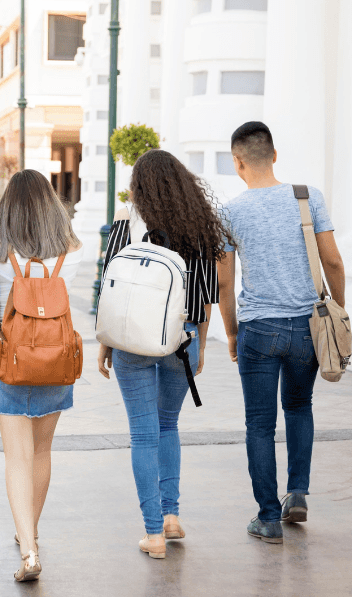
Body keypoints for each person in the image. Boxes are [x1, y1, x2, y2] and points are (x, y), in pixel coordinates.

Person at [96, 150, 230, 559]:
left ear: (139, 184)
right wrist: (202, 341)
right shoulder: (199, 222)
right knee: (168, 425)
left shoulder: (126, 221)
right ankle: (171, 516)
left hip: (132, 339)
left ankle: (153, 534)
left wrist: (104, 344)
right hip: (181, 338)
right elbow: (206, 294)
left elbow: (110, 283)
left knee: (143, 433)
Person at [217, 121, 346, 544]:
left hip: (258, 328)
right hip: (308, 327)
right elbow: (334, 263)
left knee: (259, 424)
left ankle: (268, 518)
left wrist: (232, 333)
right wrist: (337, 309)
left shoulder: (231, 211)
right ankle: (298, 492)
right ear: (274, 155)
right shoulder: (307, 199)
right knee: (299, 406)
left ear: (238, 163)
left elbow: (224, 282)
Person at [0, 169, 83, 581]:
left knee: (16, 457)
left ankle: (29, 551)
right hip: (56, 361)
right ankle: (30, 533)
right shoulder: (71, 251)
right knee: (41, 453)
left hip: (10, 360)